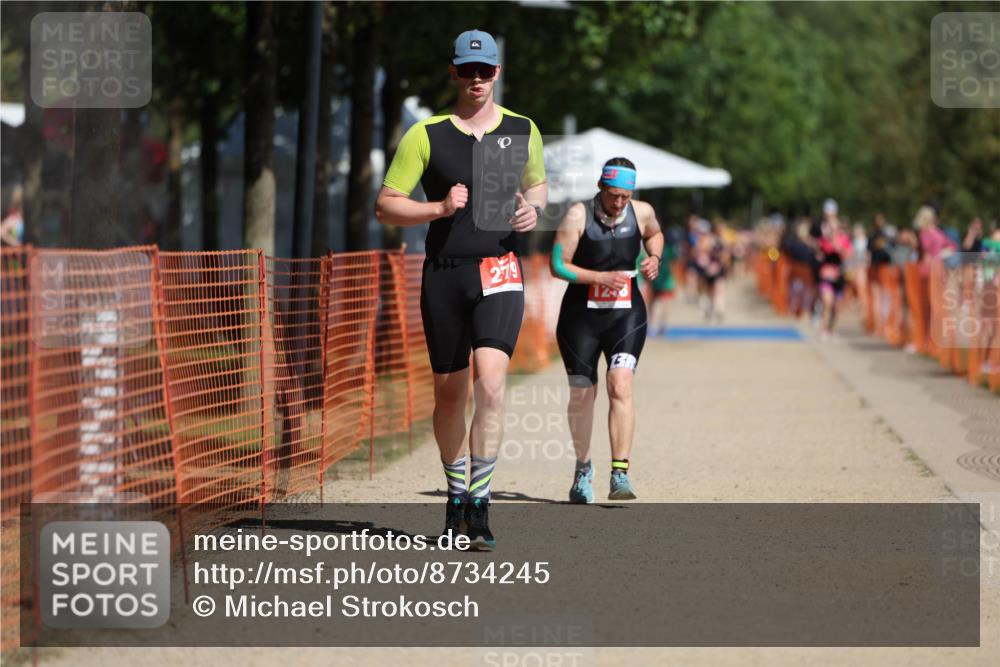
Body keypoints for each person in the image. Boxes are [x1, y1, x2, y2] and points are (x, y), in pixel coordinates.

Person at [374, 29, 547, 549]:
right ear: (453, 73)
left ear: (497, 73)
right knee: (452, 394)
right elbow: (386, 205)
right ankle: (454, 496)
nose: (477, 80)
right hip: (444, 273)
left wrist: (531, 208)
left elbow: (537, 185)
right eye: (467, 71)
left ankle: (481, 503)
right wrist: (439, 209)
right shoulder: (426, 134)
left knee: (491, 385)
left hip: (499, 269)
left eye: (485, 71)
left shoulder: (522, 130)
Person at [550, 158, 663, 503]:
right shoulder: (577, 216)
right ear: (600, 188)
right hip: (580, 318)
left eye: (625, 197)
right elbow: (557, 265)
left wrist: (654, 257)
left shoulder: (641, 211)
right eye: (614, 196)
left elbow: (655, 234)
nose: (619, 204)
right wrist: (597, 277)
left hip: (626, 315)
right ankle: (583, 468)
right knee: (583, 395)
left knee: (620, 383)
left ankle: (620, 473)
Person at [814, 199, 853, 341]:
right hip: (826, 274)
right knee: (827, 303)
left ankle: (832, 329)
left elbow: (849, 254)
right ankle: (823, 329)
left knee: (837, 307)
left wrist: (839, 247)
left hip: (839, 275)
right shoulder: (823, 240)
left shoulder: (844, 239)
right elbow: (819, 252)